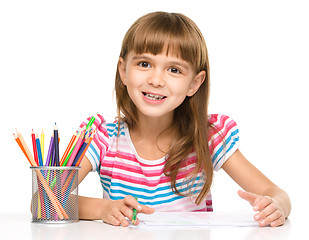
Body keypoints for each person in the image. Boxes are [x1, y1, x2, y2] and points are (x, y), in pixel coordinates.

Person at [77, 11, 291, 227]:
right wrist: (104, 208)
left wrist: (276, 205)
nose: (156, 80)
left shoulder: (208, 137)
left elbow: (275, 193)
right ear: (123, 70)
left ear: (194, 84)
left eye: (174, 69)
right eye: (144, 64)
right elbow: (48, 199)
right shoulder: (102, 138)